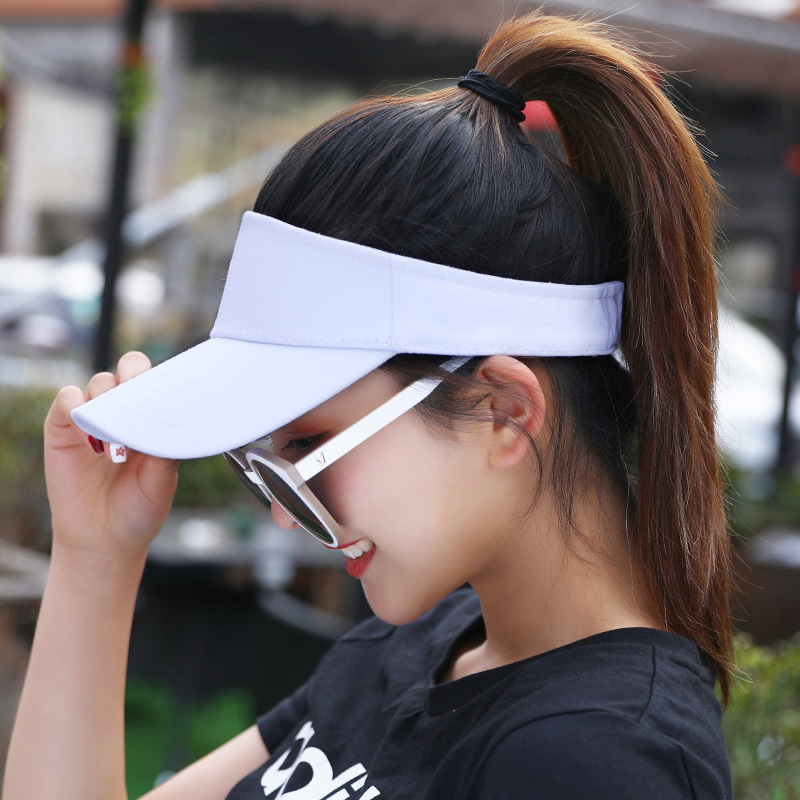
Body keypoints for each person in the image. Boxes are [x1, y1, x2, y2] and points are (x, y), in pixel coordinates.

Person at [3, 11, 733, 800]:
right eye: (269, 461)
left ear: (503, 410)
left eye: (309, 447)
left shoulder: (598, 759)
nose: (286, 514)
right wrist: (95, 557)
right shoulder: (420, 648)